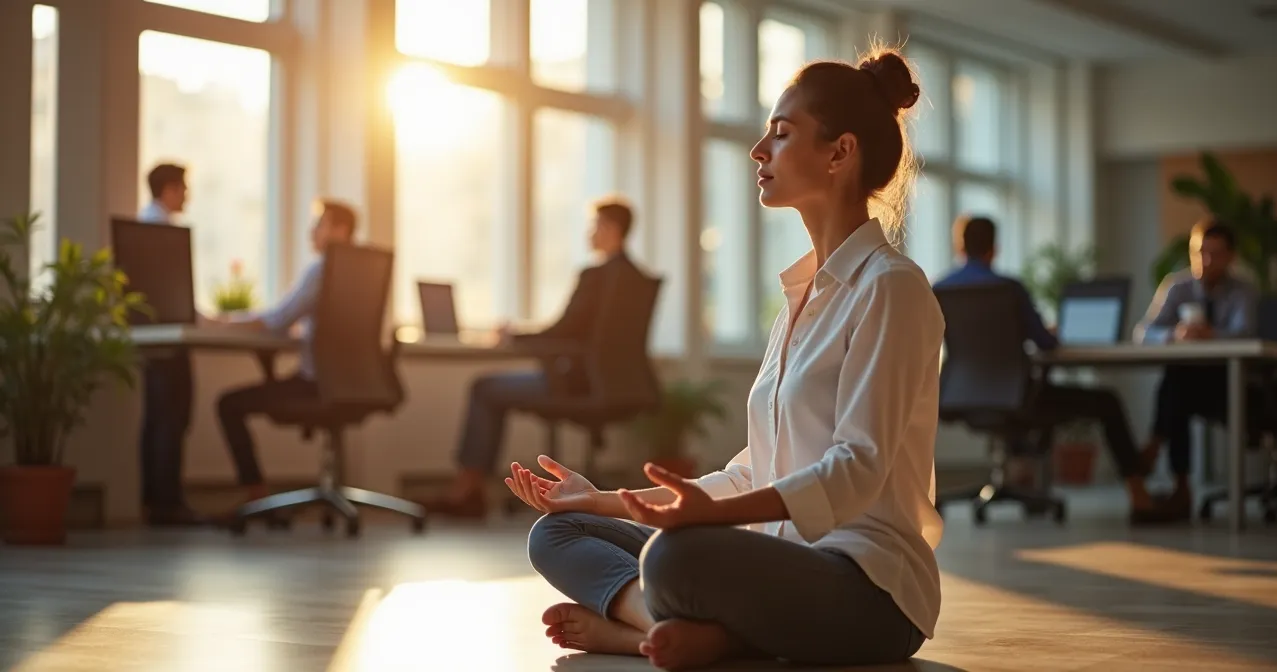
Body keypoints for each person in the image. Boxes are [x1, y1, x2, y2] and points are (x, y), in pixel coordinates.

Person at [508, 48, 937, 670]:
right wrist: (602, 499)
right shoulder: (799, 297)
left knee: (677, 556)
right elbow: (750, 472)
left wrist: (713, 518)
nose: (758, 150)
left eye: (782, 134)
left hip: (867, 590)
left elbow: (856, 469)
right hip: (776, 565)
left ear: (839, 153)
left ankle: (648, 630)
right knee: (558, 533)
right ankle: (677, 631)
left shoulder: (890, 287)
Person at [425, 198, 644, 519]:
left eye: (594, 225)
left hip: (572, 382)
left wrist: (513, 337)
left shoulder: (597, 276)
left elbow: (563, 332)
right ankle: (469, 488)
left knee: (485, 387)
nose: (589, 233)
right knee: (491, 386)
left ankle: (467, 490)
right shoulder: (636, 279)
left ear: (610, 228)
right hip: (611, 383)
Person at [933, 216, 1159, 522]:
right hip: (1015, 397)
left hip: (960, 397)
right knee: (1107, 401)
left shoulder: (940, 289)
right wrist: (1049, 331)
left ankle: (1023, 479)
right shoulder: (1009, 289)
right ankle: (1139, 496)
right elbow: (1046, 344)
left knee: (1045, 399)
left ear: (959, 246)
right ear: (994, 249)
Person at [209, 199, 358, 507]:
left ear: (341, 231)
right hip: (357, 384)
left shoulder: (322, 270)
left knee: (228, 404)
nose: (311, 232)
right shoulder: (361, 272)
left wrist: (222, 322)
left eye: (320, 225)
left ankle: (256, 495)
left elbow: (276, 320)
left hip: (314, 385)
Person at [1136, 219, 1259, 521]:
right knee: (1179, 381)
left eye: (1215, 253)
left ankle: (1159, 449)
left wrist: (1212, 335)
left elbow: (1247, 335)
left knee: (1177, 384)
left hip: (1231, 383)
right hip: (1189, 384)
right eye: (1198, 252)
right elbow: (1142, 333)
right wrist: (1173, 335)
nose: (1205, 261)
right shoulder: (1178, 286)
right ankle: (1178, 480)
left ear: (1231, 256)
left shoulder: (1243, 290)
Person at [136, 162, 204, 526]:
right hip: (166, 336)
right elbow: (171, 291)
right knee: (171, 417)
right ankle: (167, 504)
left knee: (161, 417)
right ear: (169, 189)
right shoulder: (158, 228)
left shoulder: (151, 224)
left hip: (159, 335)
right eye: (184, 188)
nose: (187, 195)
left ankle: (158, 501)